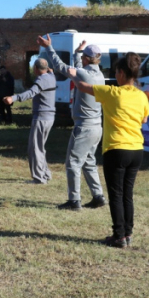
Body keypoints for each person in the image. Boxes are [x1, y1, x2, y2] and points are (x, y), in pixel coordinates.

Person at [73, 52, 149, 248]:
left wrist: (74, 72)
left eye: (116, 72)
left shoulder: (112, 92)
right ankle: (128, 233)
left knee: (115, 194)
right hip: (136, 150)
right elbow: (144, 119)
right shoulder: (141, 96)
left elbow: (83, 86)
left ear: (122, 73)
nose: (115, 75)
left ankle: (119, 236)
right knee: (127, 194)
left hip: (116, 148)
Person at [41, 35, 107, 210]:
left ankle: (74, 200)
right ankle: (98, 195)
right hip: (96, 127)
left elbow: (59, 66)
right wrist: (78, 53)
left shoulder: (83, 73)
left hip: (84, 127)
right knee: (89, 162)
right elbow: (79, 70)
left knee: (73, 163)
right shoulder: (99, 75)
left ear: (87, 59)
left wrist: (49, 47)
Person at [3, 58, 56, 184]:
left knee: (34, 148)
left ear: (36, 69)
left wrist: (13, 98)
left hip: (41, 117)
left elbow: (31, 93)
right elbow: (50, 72)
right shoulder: (51, 77)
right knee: (40, 147)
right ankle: (45, 174)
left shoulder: (41, 80)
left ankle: (39, 178)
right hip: (50, 117)